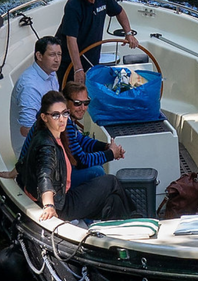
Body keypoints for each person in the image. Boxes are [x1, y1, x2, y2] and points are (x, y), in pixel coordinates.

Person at [17, 91, 137, 223]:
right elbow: (45, 174)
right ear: (45, 117)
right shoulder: (47, 146)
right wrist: (49, 206)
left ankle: (124, 231)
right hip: (61, 206)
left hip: (61, 197)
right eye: (55, 115)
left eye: (64, 113)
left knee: (114, 201)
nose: (62, 119)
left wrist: (13, 172)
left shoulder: (54, 133)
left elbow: (25, 160)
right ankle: (136, 219)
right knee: (111, 181)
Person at [55, 0, 139, 85]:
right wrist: (77, 69)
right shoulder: (73, 6)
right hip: (70, 59)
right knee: (71, 91)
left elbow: (119, 11)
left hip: (92, 54)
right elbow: (71, 39)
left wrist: (129, 34)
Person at [63, 81, 126, 186]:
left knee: (98, 165)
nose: (83, 108)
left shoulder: (68, 119)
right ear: (66, 101)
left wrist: (107, 147)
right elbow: (81, 161)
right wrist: (110, 154)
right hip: (57, 179)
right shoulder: (63, 123)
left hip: (63, 170)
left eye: (86, 103)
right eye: (77, 103)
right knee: (97, 171)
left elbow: (82, 140)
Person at [9, 36, 62, 155]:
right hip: (32, 152)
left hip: (50, 139)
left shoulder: (51, 73)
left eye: (59, 54)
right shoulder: (30, 87)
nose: (57, 59)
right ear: (39, 56)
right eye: (52, 55)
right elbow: (27, 130)